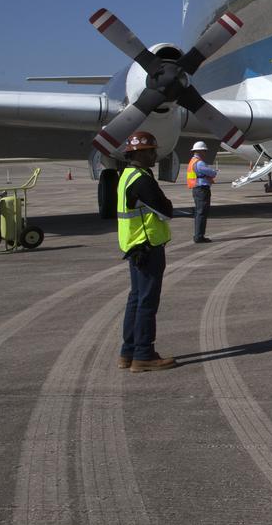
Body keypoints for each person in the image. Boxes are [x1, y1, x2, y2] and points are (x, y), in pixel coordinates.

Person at [116, 131, 177, 372]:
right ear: (139, 153)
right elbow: (165, 210)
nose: (155, 154)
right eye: (151, 150)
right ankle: (144, 354)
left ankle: (128, 352)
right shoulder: (142, 179)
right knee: (147, 302)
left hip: (134, 246)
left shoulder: (127, 175)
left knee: (136, 299)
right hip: (148, 246)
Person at [186, 140, 217, 243]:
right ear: (200, 151)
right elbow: (212, 173)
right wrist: (214, 172)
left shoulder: (192, 161)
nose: (205, 153)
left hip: (197, 189)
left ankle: (199, 235)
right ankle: (199, 236)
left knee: (200, 213)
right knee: (202, 213)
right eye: (204, 151)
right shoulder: (199, 163)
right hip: (202, 190)